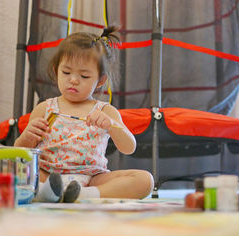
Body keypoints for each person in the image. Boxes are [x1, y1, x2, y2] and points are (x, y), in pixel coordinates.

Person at [14, 26, 154, 203]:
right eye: (66, 72)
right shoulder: (45, 108)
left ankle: (81, 195)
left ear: (100, 81)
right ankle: (47, 190)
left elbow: (129, 147)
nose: (73, 80)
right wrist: (27, 137)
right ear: (57, 70)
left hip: (93, 178)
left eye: (84, 76)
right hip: (48, 174)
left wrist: (111, 125)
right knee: (14, 168)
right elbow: (21, 153)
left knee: (145, 180)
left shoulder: (105, 111)